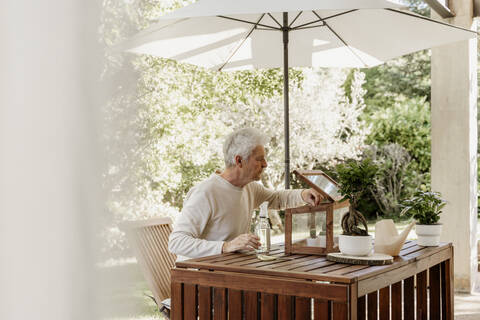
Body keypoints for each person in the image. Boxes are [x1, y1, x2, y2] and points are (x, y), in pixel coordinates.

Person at [168, 128, 322, 261]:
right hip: (196, 279)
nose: (265, 164)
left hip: (228, 272)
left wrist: (303, 194)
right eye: (259, 159)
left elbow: (276, 198)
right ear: (239, 161)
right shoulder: (206, 192)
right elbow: (177, 242)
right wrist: (226, 246)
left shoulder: (250, 188)